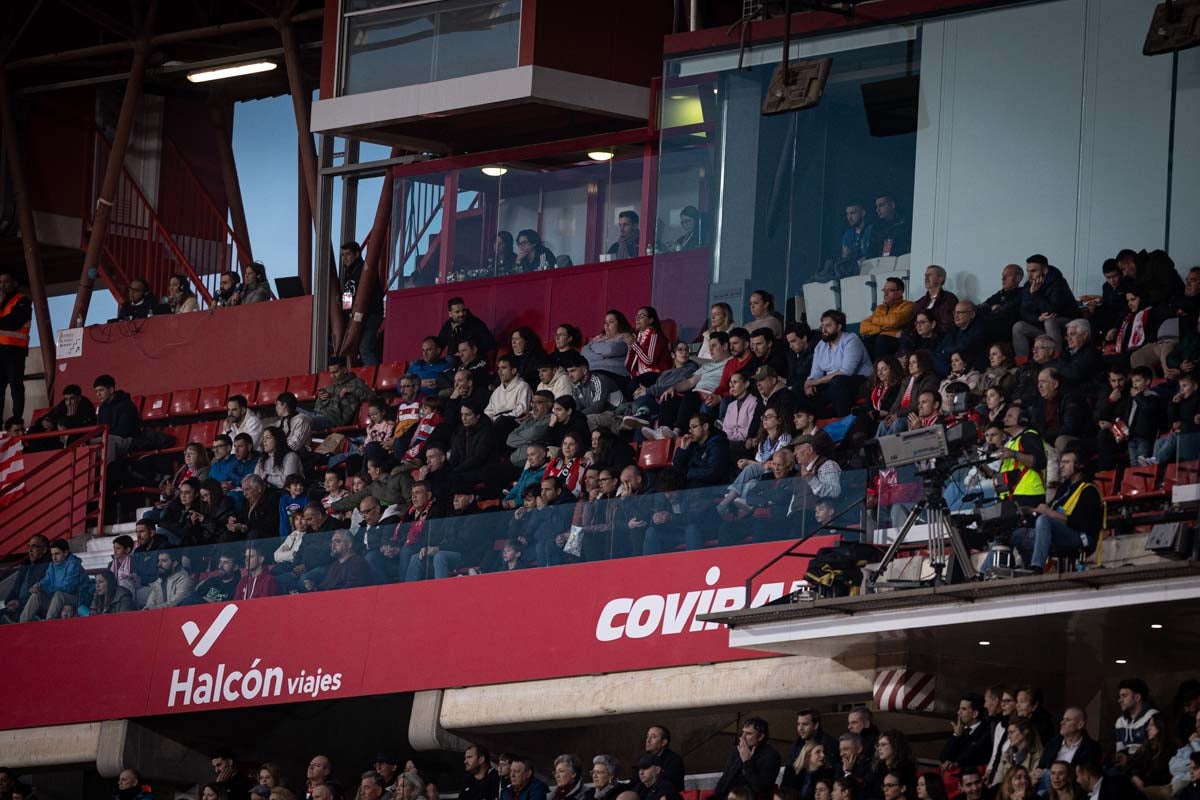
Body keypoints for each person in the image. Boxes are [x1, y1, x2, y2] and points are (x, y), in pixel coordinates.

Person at [805, 310, 873, 416]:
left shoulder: (851, 340)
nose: (823, 330)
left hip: (860, 381)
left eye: (828, 326)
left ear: (839, 326)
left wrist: (814, 382)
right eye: (822, 326)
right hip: (832, 383)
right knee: (800, 388)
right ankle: (815, 426)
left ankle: (844, 420)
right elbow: (816, 371)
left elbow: (845, 372)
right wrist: (809, 382)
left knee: (838, 382)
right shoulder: (820, 345)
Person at [1013, 256, 1077, 359]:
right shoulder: (1028, 286)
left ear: (1045, 270)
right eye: (1028, 271)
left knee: (1050, 322)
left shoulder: (1058, 282)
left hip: (1065, 323)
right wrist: (1038, 318)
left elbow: (1053, 310)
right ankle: (1022, 365)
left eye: (1033, 271)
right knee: (1018, 326)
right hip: (1042, 324)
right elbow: (1023, 311)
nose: (1030, 275)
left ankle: (1055, 359)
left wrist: (1036, 294)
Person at [713, 717, 783, 800]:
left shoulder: (771, 756)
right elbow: (725, 779)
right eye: (743, 732)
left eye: (748, 733)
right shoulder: (737, 751)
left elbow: (760, 788)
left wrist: (747, 762)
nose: (743, 737)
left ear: (760, 736)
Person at [340, 240, 385, 365]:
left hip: (370, 315)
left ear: (357, 254)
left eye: (348, 254)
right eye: (343, 255)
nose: (345, 258)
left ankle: (371, 379)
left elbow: (371, 295)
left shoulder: (364, 270)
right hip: (357, 317)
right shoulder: (348, 273)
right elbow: (347, 296)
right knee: (359, 349)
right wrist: (347, 313)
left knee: (365, 348)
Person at [18, 539, 85, 622]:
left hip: (76, 599)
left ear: (66, 553)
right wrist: (39, 585)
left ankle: (48, 623)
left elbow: (68, 588)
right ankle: (22, 623)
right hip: (57, 600)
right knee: (36, 595)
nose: (54, 558)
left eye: (57, 554)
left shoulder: (74, 564)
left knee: (59, 595)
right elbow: (47, 579)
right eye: (52, 554)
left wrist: (45, 588)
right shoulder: (52, 565)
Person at [0, 272, 32, 422]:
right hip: (1, 351)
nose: (2, 285)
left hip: (15, 351)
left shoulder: (23, 301)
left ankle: (17, 419)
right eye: (1, 283)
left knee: (15, 386)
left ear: (14, 283)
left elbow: (13, 322)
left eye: (6, 282)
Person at [860, 278, 914, 359]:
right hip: (880, 338)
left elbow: (894, 321)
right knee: (860, 341)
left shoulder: (908, 305)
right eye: (884, 290)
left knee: (881, 340)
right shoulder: (880, 308)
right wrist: (883, 328)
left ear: (900, 292)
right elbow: (863, 327)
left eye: (890, 290)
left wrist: (875, 321)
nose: (885, 293)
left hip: (895, 341)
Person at [3, 535, 50, 624]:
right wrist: (11, 600)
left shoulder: (48, 567)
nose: (30, 550)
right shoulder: (25, 566)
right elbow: (15, 587)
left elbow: (38, 593)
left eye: (34, 546)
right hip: (17, 607)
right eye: (29, 546)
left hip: (34, 610)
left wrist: (19, 603)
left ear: (44, 550)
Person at [93, 374, 140, 462]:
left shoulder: (126, 404)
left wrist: (102, 438)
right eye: (96, 391)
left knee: (109, 441)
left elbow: (124, 431)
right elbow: (99, 429)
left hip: (128, 440)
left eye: (101, 390)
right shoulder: (102, 408)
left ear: (111, 390)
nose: (98, 394)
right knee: (88, 447)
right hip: (107, 439)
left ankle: (109, 472)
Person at [941, 693, 993, 771]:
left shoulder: (986, 732)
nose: (958, 713)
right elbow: (943, 757)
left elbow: (970, 756)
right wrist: (956, 736)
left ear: (975, 714)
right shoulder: (960, 730)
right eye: (959, 709)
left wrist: (955, 764)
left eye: (963, 709)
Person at [313, 362, 372, 429]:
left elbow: (371, 396)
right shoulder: (331, 386)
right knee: (299, 410)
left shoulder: (356, 382)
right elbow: (317, 407)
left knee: (302, 420)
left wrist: (351, 390)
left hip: (334, 419)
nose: (332, 376)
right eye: (331, 373)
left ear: (344, 370)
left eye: (335, 372)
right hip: (318, 415)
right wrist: (321, 399)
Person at [981, 264, 1027, 343]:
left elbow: (1010, 310)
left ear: (1018, 278)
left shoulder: (1022, 293)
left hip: (1005, 327)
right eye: (1003, 275)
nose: (1003, 279)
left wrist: (999, 308)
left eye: (1008, 275)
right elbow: (984, 305)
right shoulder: (1001, 293)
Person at [1116, 679, 1159, 757]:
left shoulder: (1153, 717)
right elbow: (1120, 748)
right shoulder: (1120, 721)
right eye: (1120, 696)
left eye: (1124, 696)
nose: (1119, 700)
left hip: (1146, 764)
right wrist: (1121, 755)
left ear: (1137, 697)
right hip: (1127, 765)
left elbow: (1153, 748)